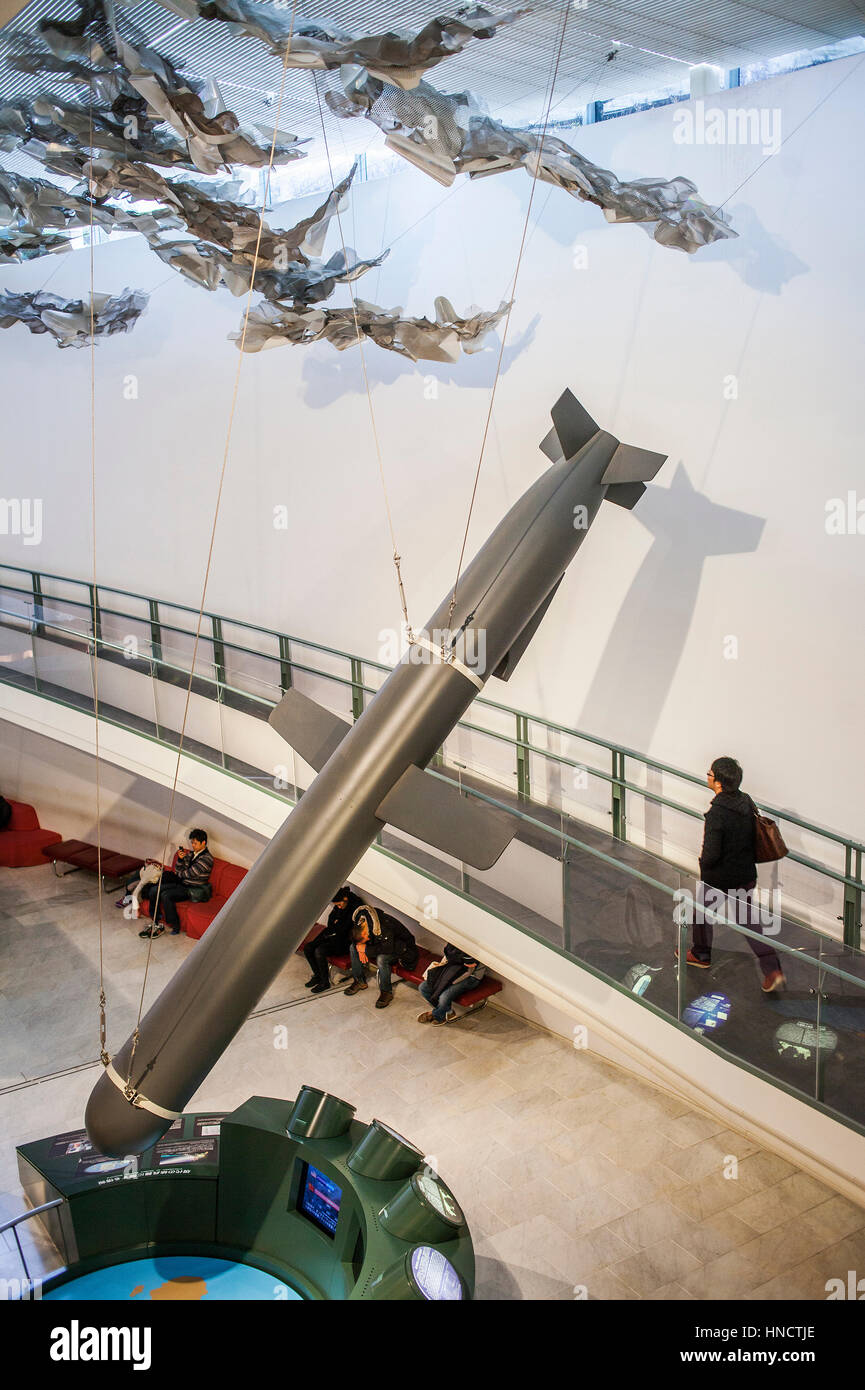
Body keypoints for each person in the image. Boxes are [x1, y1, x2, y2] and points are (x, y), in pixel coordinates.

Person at [683, 757, 785, 993]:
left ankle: (701, 953)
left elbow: (711, 854)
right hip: (746, 874)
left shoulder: (717, 813)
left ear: (718, 782)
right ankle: (772, 969)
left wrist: (703, 864)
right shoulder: (745, 800)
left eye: (709, 773)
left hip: (719, 878)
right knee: (749, 922)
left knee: (701, 913)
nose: (707, 776)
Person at [139, 829, 214, 939]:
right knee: (155, 889)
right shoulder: (192, 854)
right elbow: (178, 869)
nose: (193, 845)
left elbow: (189, 874)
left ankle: (175, 925)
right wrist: (180, 859)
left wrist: (179, 872)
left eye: (195, 843)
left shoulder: (207, 859)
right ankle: (156, 919)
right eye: (192, 842)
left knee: (166, 895)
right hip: (181, 883)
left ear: (203, 843)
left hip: (192, 889)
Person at [346, 904, 418, 1009]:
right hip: (384, 944)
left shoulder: (383, 926)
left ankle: (386, 992)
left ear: (366, 934)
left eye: (365, 940)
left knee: (381, 959)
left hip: (402, 947)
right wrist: (360, 948)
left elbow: (387, 949)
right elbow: (355, 938)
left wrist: (365, 950)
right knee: (353, 947)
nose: (365, 942)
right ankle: (359, 981)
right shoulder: (360, 921)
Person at [303, 885, 364, 994]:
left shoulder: (356, 907)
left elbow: (345, 929)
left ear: (345, 899)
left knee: (319, 951)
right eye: (337, 906)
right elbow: (331, 921)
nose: (339, 907)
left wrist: (336, 923)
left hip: (344, 942)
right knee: (308, 947)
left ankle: (324, 982)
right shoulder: (341, 902)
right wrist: (336, 924)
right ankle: (317, 975)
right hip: (332, 934)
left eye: (340, 905)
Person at [418, 943, 486, 1025]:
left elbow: (469, 972)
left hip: (471, 976)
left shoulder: (471, 949)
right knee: (423, 988)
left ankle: (439, 1016)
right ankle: (447, 1011)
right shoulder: (454, 942)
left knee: (444, 996)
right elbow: (447, 958)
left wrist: (449, 982)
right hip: (453, 970)